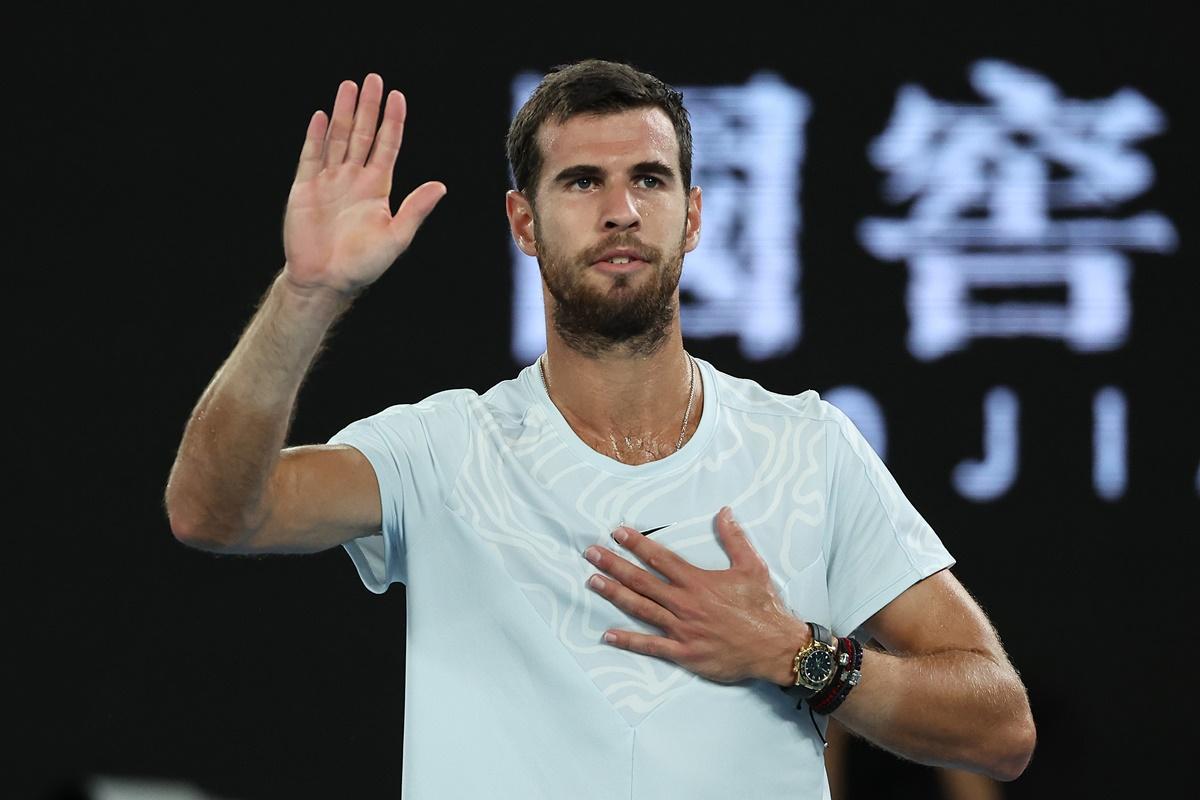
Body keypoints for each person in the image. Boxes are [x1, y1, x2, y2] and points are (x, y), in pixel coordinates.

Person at [164, 59, 1036, 798]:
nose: (620, 209)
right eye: (582, 182)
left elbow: (1000, 726)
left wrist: (799, 654)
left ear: (691, 216)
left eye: (647, 179)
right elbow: (214, 512)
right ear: (523, 224)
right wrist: (308, 295)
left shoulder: (806, 445)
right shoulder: (444, 448)